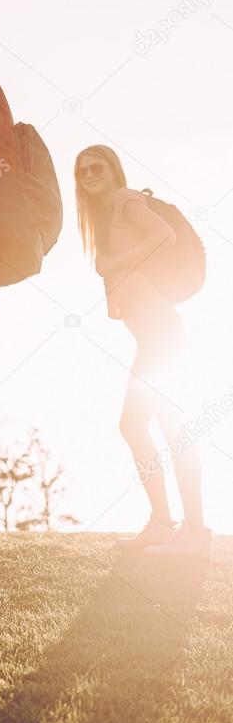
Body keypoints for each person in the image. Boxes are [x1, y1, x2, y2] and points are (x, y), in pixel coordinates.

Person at [75, 145, 211, 559]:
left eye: (97, 166)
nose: (89, 174)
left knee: (147, 426)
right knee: (152, 427)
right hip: (154, 334)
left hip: (160, 332)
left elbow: (162, 236)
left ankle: (184, 528)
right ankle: (171, 525)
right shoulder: (108, 214)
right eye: (82, 171)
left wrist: (114, 264)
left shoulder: (124, 199)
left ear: (114, 170)